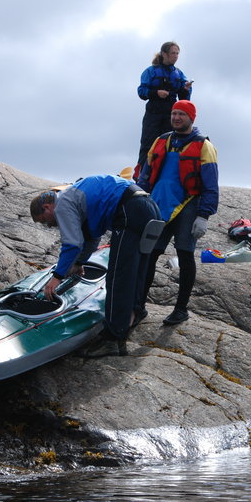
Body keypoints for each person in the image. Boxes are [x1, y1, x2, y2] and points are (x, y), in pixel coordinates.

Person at [30, 174, 161, 357]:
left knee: (118, 277)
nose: (49, 226)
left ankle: (113, 339)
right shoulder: (77, 197)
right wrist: (79, 263)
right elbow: (92, 238)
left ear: (47, 207)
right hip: (149, 207)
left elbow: (72, 244)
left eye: (45, 221)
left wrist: (56, 277)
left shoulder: (63, 204)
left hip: (128, 211)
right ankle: (136, 312)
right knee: (136, 269)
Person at [137, 100, 218, 325]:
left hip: (188, 206)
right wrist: (141, 200)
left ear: (192, 118)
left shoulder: (204, 146)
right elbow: (146, 174)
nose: (176, 117)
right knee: (150, 255)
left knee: (184, 256)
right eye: (174, 113)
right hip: (159, 205)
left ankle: (180, 309)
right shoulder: (161, 141)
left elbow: (211, 185)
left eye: (181, 114)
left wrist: (204, 216)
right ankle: (138, 305)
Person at [135, 41, 193, 178]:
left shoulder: (179, 74)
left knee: (170, 144)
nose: (176, 56)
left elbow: (184, 99)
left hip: (170, 115)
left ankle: (166, 175)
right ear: (164, 54)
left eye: (177, 53)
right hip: (153, 113)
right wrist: (156, 93)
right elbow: (141, 92)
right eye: (173, 53)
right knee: (148, 145)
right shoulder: (151, 71)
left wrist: (185, 89)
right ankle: (142, 176)